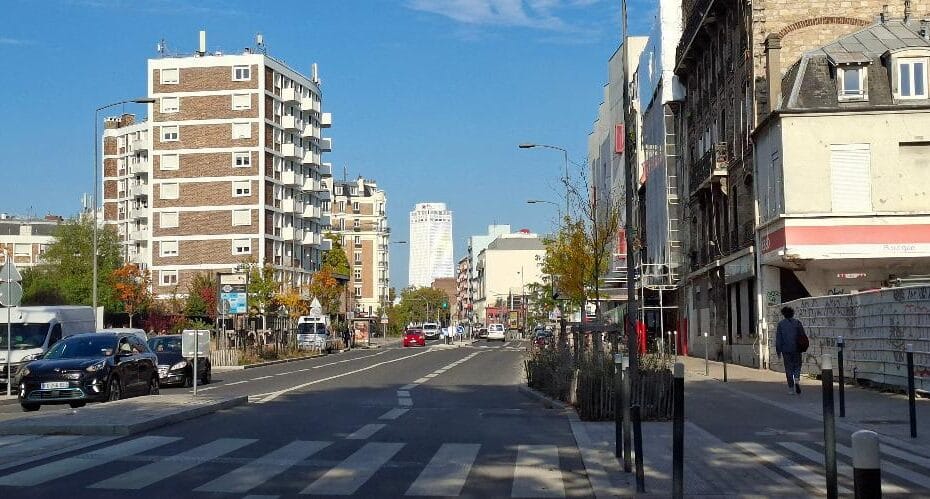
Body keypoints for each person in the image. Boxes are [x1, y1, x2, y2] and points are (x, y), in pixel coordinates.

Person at [776, 306, 805, 395]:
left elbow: (778, 339)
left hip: (786, 350)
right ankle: (796, 378)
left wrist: (778, 351)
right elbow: (802, 335)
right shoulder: (797, 323)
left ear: (784, 314)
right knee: (797, 365)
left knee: (788, 368)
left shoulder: (781, 324)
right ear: (792, 313)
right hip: (797, 348)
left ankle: (791, 388)